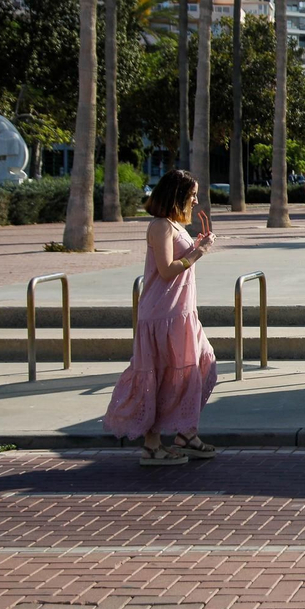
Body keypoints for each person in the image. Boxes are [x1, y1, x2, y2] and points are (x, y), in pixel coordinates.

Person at [103, 170, 218, 465]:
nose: (195, 199)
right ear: (176, 195)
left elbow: (178, 262)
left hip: (181, 312)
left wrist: (195, 246)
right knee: (163, 374)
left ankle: (185, 432)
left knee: (202, 365)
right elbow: (167, 269)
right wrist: (198, 253)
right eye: (191, 194)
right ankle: (152, 445)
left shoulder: (174, 226)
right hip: (162, 314)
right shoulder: (160, 227)